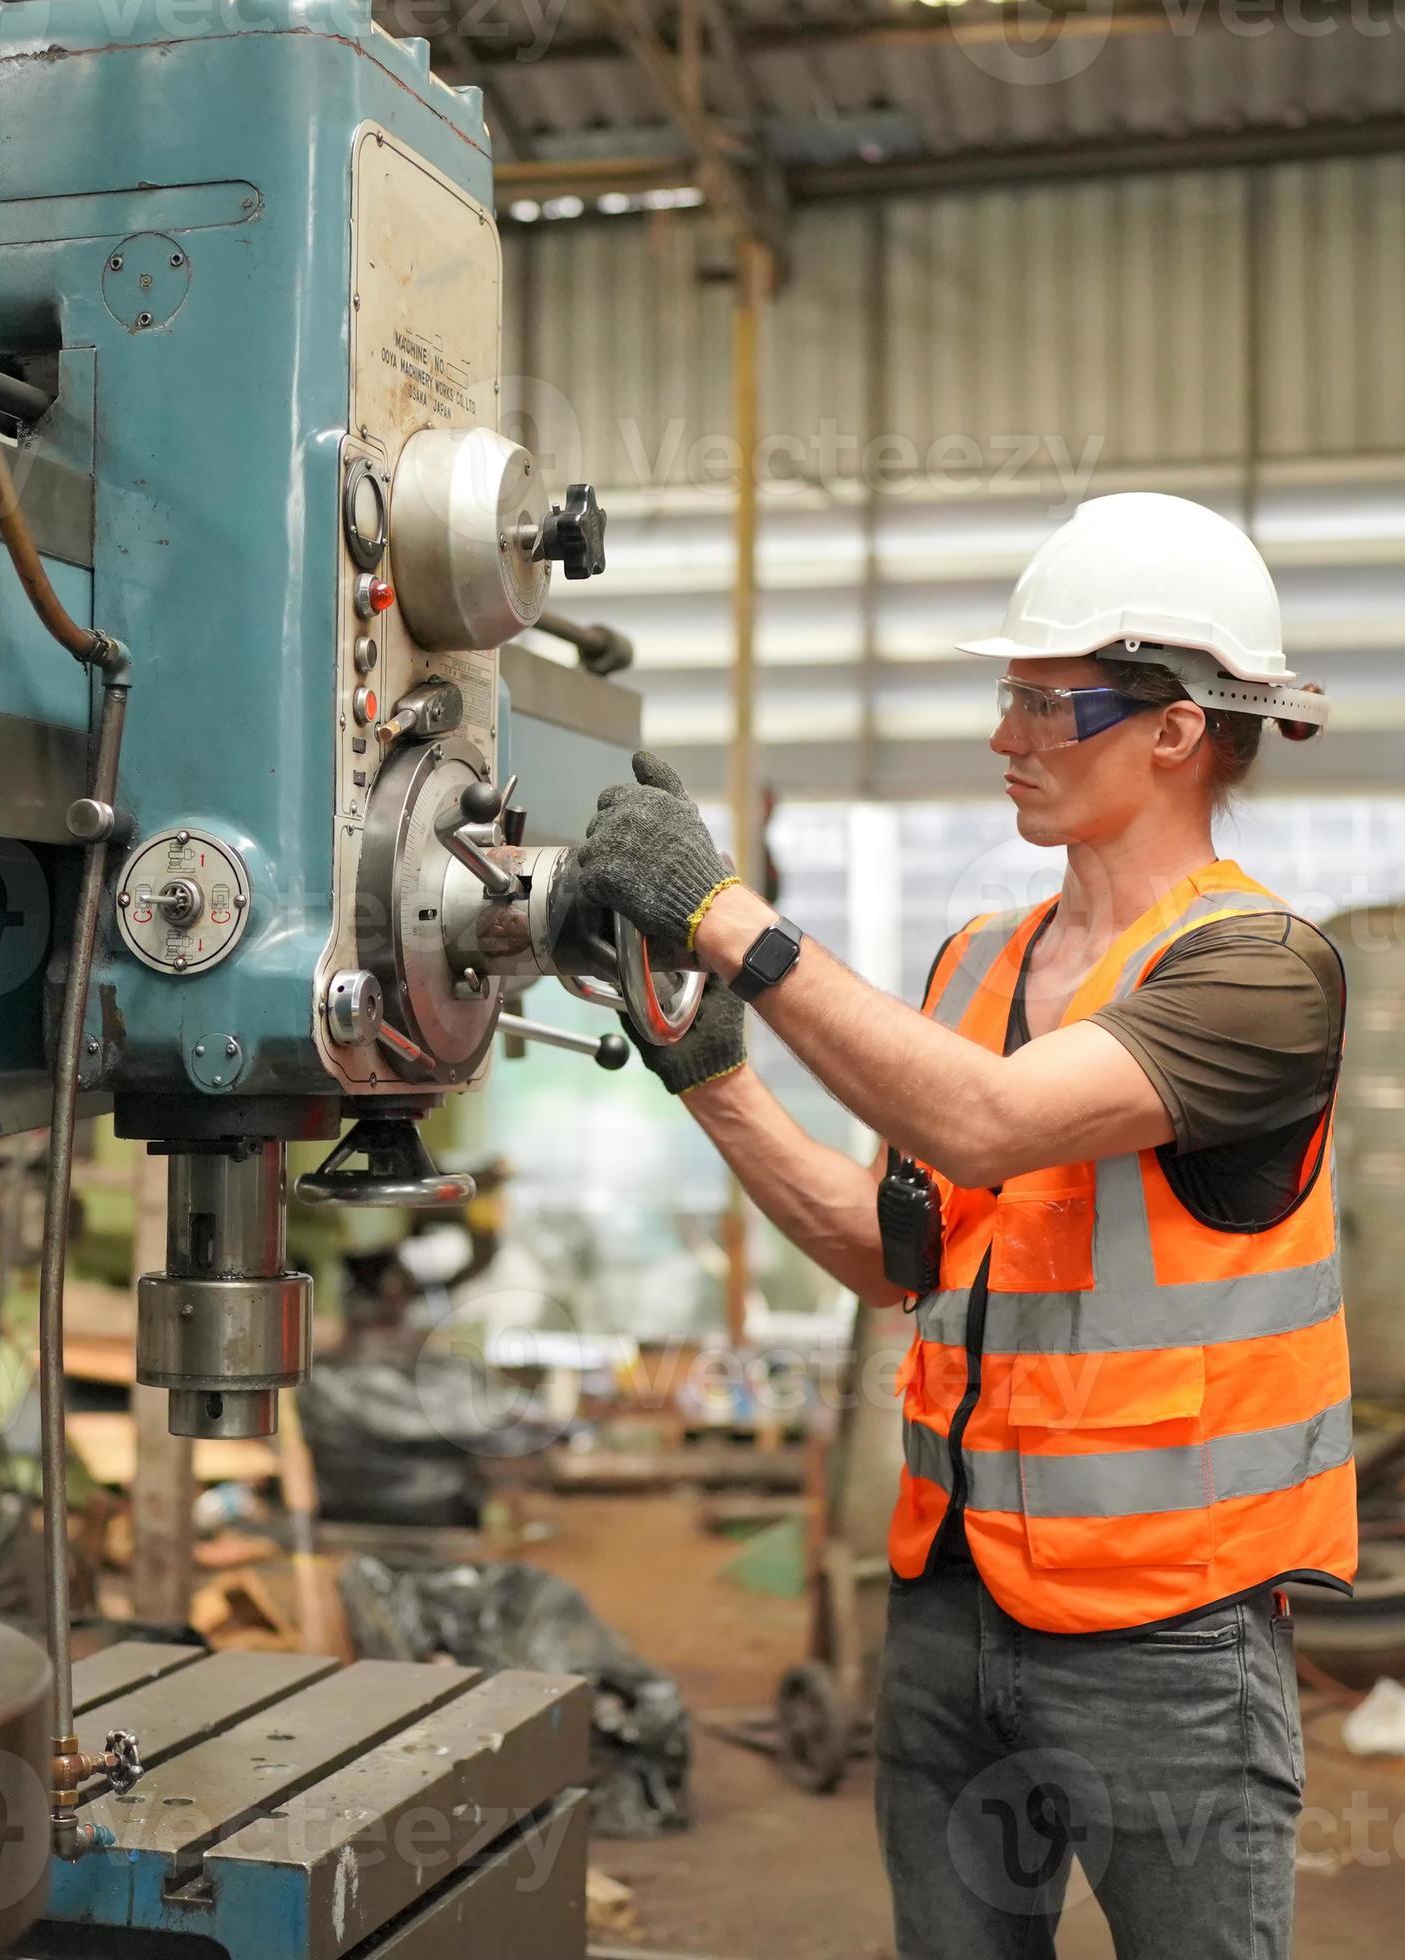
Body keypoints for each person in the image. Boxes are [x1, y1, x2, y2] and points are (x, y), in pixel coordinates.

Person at [557, 492, 1354, 1960]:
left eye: (1047, 704)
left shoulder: (1259, 973)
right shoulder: (974, 958)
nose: (1006, 737)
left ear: (1174, 726)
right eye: (1008, 698)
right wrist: (706, 1066)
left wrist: (719, 910)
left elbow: (986, 1120)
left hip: (1163, 1633)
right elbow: (888, 1253)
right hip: (946, 1598)